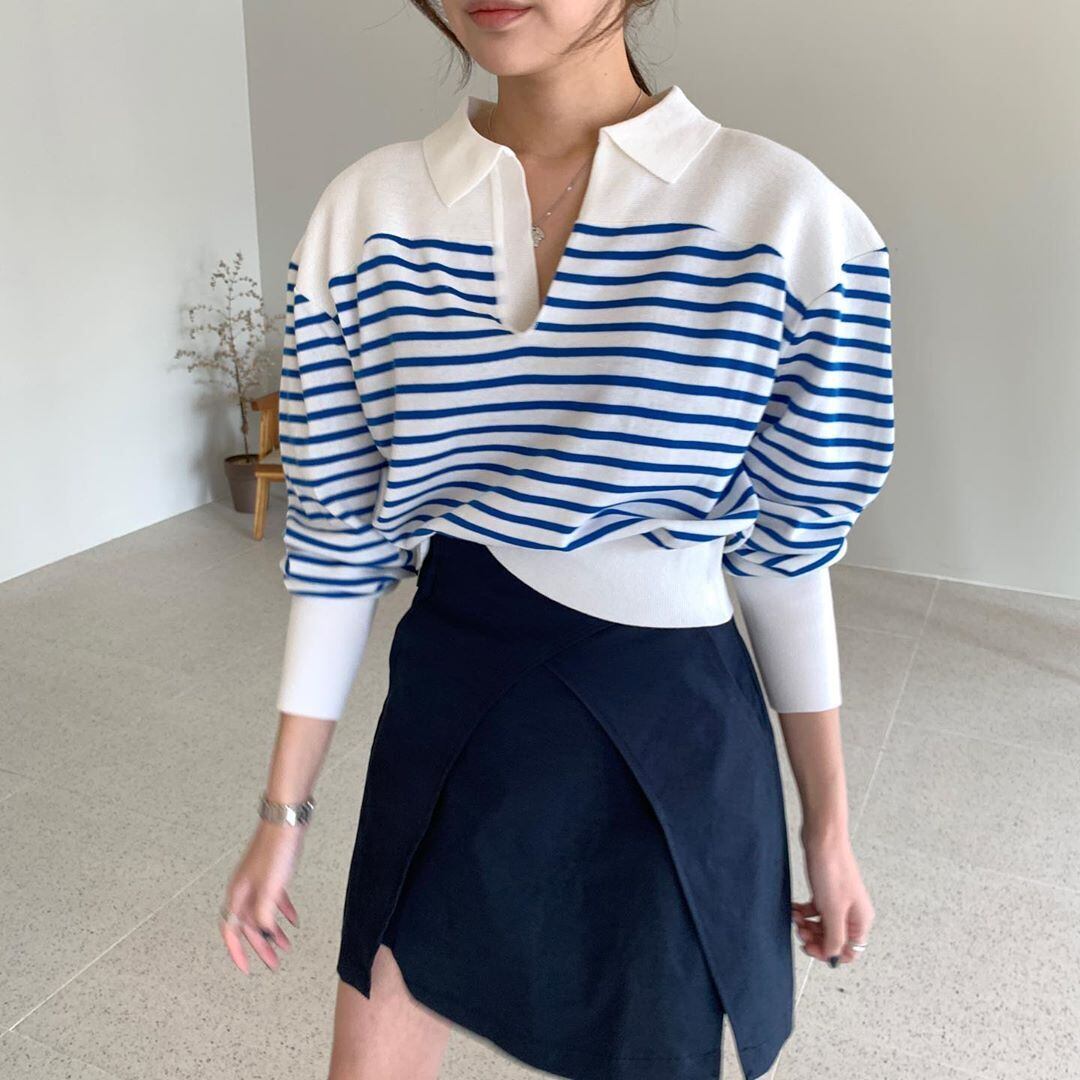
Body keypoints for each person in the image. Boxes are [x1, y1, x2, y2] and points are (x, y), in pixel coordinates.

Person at [220, 1, 892, 1077]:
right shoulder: (366, 217)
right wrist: (282, 813)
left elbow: (787, 554)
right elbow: (340, 543)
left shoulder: (786, 215)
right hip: (451, 701)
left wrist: (828, 826)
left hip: (666, 725)